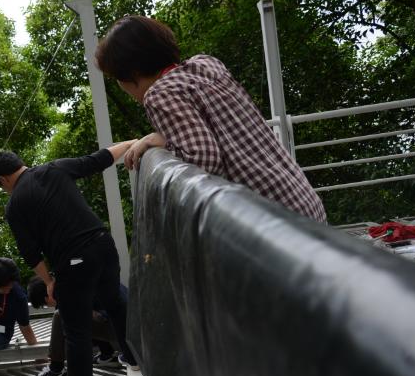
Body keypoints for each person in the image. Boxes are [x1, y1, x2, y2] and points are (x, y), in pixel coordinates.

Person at [94, 14, 326, 222]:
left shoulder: (159, 94)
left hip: (272, 220)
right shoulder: (206, 64)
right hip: (302, 202)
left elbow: (204, 160)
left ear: (131, 73)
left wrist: (162, 140)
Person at [0, 142, 137, 376]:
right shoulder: (55, 168)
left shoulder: (15, 204)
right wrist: (134, 143)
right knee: (115, 303)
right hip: (103, 244)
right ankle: (134, 356)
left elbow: (31, 253)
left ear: (3, 178)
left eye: (2, 186)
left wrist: (49, 281)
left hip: (74, 259)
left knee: (75, 328)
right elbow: (99, 159)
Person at [26, 277, 138, 376]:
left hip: (125, 339)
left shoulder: (67, 294)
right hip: (131, 330)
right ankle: (107, 354)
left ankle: (56, 370)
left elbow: (100, 317)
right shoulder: (73, 279)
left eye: (44, 304)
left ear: (47, 298)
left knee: (60, 316)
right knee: (78, 314)